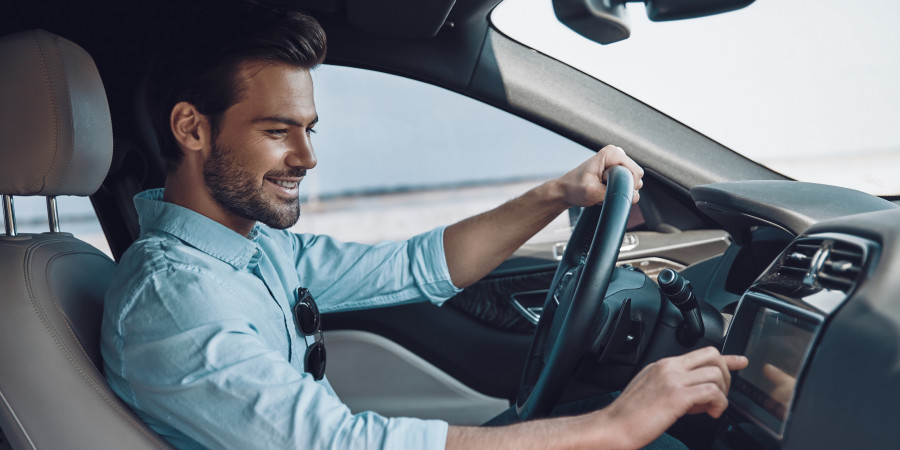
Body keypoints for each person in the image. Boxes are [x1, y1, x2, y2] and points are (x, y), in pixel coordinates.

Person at [100, 4, 748, 449]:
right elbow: (342, 446)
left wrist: (555, 194)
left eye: (308, 129)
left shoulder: (253, 248)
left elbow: (412, 267)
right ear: (192, 128)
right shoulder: (174, 297)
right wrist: (611, 428)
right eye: (277, 131)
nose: (307, 156)